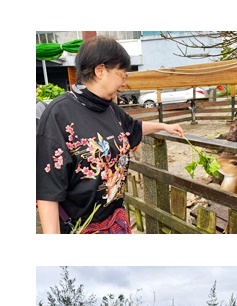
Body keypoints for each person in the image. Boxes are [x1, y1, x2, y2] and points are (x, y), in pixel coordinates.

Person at [36, 35, 185, 233]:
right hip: (81, 227)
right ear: (100, 70)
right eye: (122, 75)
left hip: (116, 220)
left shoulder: (111, 109)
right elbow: (48, 190)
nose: (124, 83)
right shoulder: (59, 114)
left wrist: (162, 126)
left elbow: (133, 128)